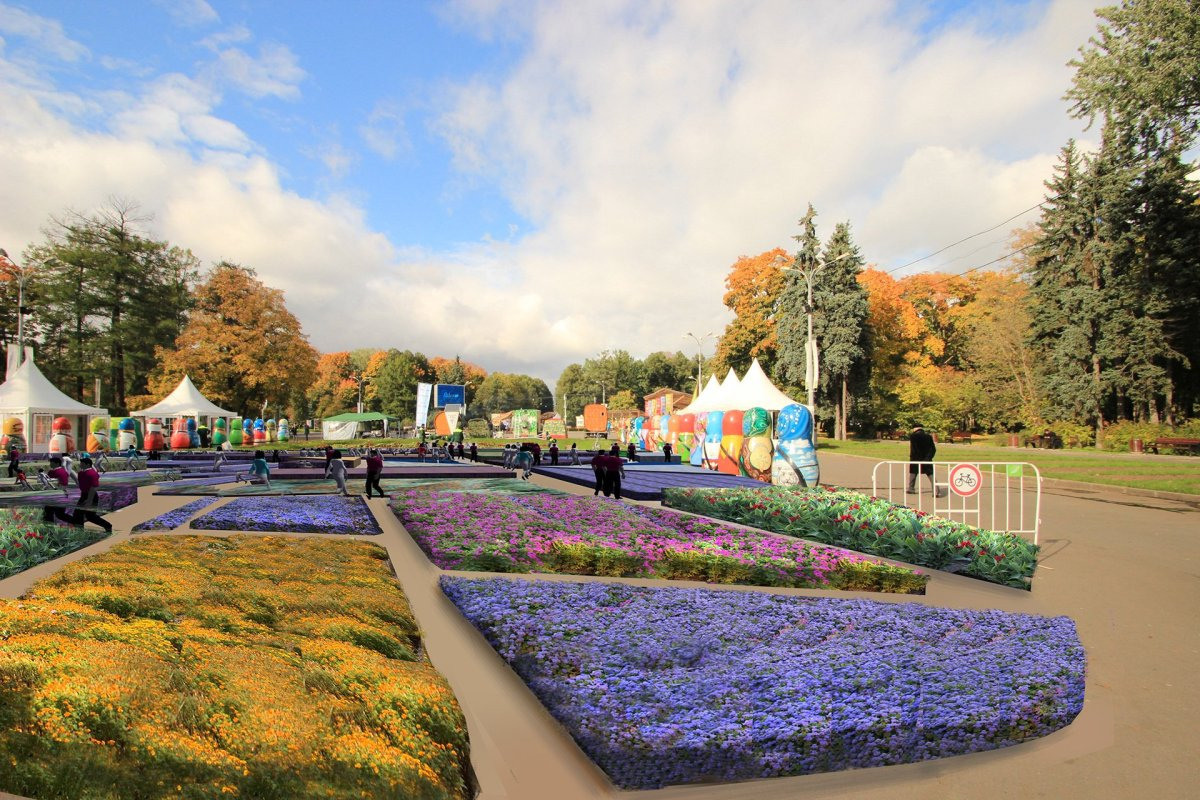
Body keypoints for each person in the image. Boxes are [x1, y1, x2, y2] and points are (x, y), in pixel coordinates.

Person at [72, 456, 113, 532]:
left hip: (91, 496)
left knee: (86, 516)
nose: (80, 465)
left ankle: (107, 526)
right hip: (84, 495)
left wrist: (89, 500)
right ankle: (80, 532)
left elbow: (93, 487)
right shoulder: (81, 473)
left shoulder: (92, 474)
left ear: (87, 464)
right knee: (84, 515)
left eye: (82, 463)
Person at [907, 424, 945, 497]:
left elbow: (914, 449)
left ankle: (911, 489)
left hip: (916, 459)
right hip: (927, 459)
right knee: (930, 474)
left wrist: (914, 457)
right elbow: (933, 449)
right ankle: (936, 491)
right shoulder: (928, 436)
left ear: (915, 429)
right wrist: (929, 457)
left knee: (913, 473)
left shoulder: (913, 436)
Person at [42, 457, 74, 524]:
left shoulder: (53, 472)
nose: (50, 464)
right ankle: (76, 522)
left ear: (57, 463)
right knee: (60, 514)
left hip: (55, 495)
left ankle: (49, 529)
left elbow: (48, 482)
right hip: (63, 494)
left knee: (49, 513)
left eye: (51, 463)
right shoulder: (63, 471)